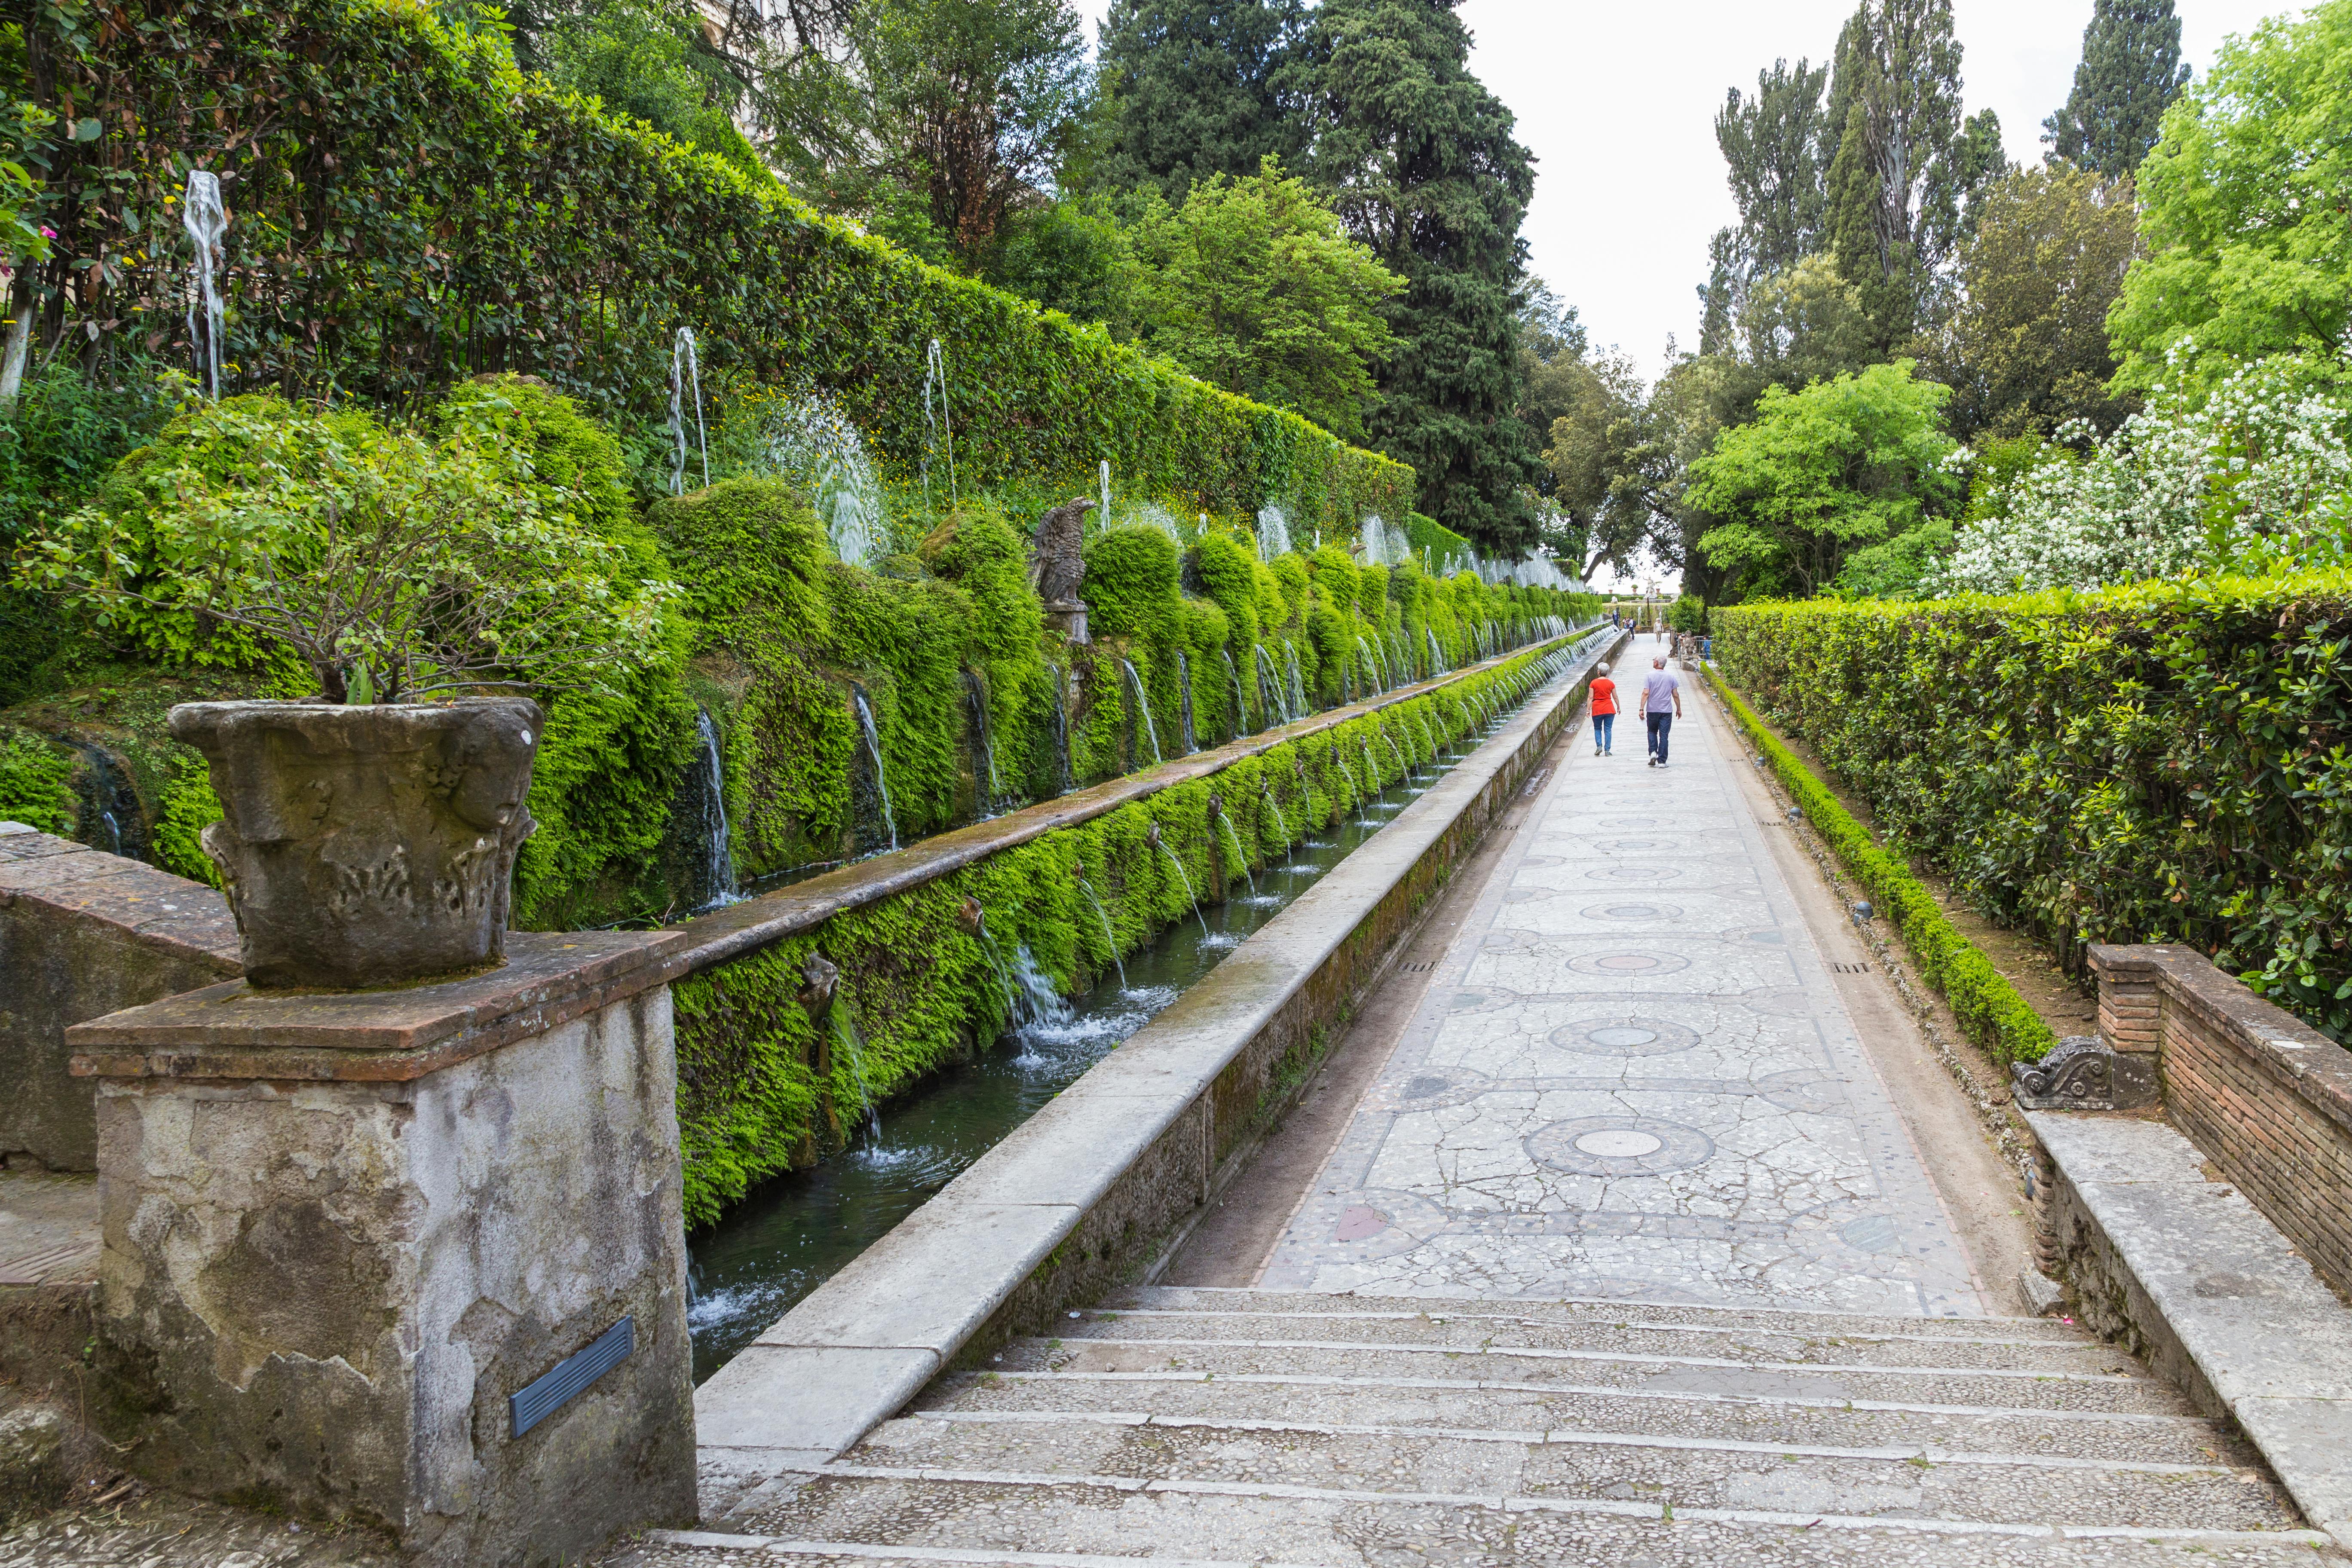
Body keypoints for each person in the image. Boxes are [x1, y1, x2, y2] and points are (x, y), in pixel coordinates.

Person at [1642, 655, 1681, 767]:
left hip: (1652, 710)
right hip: (1666, 711)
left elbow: (1646, 693)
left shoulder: (1649, 676)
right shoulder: (1671, 677)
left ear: (1656, 663)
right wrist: (1679, 709)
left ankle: (1653, 753)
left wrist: (1641, 709)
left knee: (1652, 732)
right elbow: (1676, 695)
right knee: (1664, 735)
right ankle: (1662, 761)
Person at [1589, 662, 1617, 756]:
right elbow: (1615, 697)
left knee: (1597, 728)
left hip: (1597, 709)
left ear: (1599, 672)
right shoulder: (1611, 683)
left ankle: (1599, 747)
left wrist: (1588, 709)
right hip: (1609, 708)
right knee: (1608, 729)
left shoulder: (1593, 683)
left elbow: (1590, 697)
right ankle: (1607, 751)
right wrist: (1619, 707)